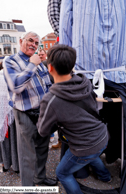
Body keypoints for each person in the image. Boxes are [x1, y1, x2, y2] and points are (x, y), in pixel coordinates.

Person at [37, 44, 111, 194]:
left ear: (49, 68)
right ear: (72, 65)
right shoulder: (84, 82)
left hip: (85, 145)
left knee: (62, 173)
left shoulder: (51, 99)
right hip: (103, 135)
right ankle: (106, 177)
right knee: (93, 153)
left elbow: (43, 131)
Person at [3, 31, 57, 189]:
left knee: (42, 148)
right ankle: (27, 188)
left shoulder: (39, 62)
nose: (33, 44)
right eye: (30, 40)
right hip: (24, 113)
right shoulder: (10, 60)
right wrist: (32, 64)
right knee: (27, 154)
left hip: (42, 112)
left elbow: (48, 84)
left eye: (36, 42)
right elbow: (16, 87)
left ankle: (40, 178)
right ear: (21, 41)